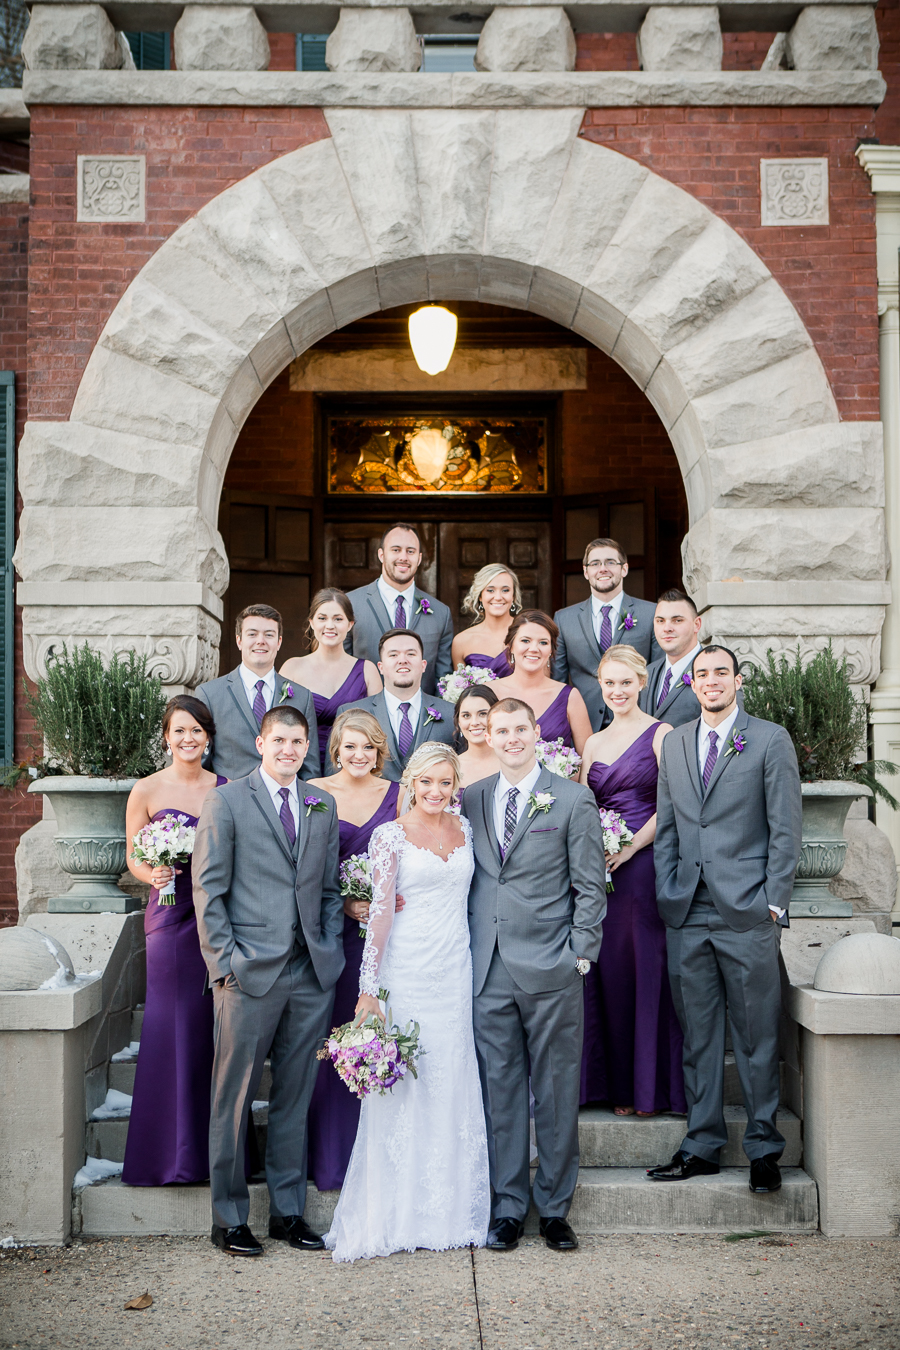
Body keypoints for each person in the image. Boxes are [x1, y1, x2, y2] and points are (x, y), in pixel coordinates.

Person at [325, 743, 490, 1262]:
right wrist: (368, 988)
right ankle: (397, 1213)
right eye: (427, 783)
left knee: (451, 1081)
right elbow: (380, 914)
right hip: (408, 971)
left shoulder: (467, 829)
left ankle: (450, 1210)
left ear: (455, 784)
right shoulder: (389, 837)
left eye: (446, 783)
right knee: (406, 1088)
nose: (436, 792)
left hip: (457, 971)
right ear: (411, 784)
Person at [647, 646, 801, 1194]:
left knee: (758, 1035)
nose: (711, 681)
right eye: (702, 674)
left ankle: (764, 1148)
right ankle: (703, 1145)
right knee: (699, 1037)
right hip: (687, 911)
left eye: (720, 673)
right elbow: (668, 829)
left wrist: (774, 903)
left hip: (748, 912)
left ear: (736, 680)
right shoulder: (677, 742)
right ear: (690, 682)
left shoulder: (768, 739)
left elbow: (786, 828)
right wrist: (669, 892)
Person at [193, 706, 343, 1257]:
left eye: (298, 741)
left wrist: (325, 949)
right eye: (279, 740)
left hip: (309, 972)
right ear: (260, 742)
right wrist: (224, 965)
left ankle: (287, 1213)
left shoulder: (320, 803)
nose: (289, 749)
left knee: (295, 1096)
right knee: (232, 1098)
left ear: (308, 747)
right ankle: (228, 1218)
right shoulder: (227, 800)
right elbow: (208, 890)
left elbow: (328, 888)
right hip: (247, 972)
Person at [463, 698, 606, 1252]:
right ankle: (507, 1208)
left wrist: (581, 952)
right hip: (487, 969)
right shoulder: (470, 799)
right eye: (501, 730)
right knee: (500, 1093)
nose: (511, 738)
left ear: (536, 733)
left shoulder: (572, 798)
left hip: (553, 965)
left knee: (554, 1090)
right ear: (489, 737)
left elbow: (591, 885)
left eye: (520, 728)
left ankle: (553, 1209)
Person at [122, 696, 225, 1187]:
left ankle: (208, 1155)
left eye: (197, 730)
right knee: (167, 1025)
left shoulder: (225, 788)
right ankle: (163, 1156)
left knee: (211, 1029)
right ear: (166, 736)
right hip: (166, 914)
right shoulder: (146, 789)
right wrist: (152, 870)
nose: (189, 739)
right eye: (180, 730)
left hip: (214, 918)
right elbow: (132, 857)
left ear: (208, 736)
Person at [579, 647, 685, 1118]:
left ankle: (652, 1090)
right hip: (601, 872)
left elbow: (673, 802)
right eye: (610, 683)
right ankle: (619, 1087)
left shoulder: (661, 734)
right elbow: (582, 806)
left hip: (643, 866)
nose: (617, 691)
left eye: (626, 682)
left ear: (641, 683)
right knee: (611, 972)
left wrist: (632, 847)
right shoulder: (593, 744)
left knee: (647, 969)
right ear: (600, 686)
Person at [303, 710, 401, 1192]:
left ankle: (387, 1161)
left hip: (393, 936)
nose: (358, 755)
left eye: (368, 747)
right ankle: (334, 1158)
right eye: (349, 747)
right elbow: (304, 865)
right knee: (337, 1039)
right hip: (335, 934)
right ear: (335, 749)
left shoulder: (399, 794)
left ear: (379, 751)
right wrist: (344, 903)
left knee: (387, 1035)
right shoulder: (316, 795)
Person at [197, 604, 319, 782]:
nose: (261, 641)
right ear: (239, 640)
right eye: (252, 634)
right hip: (231, 801)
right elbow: (200, 764)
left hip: (284, 802)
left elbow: (310, 768)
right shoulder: (210, 694)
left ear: (279, 642)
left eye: (269, 635)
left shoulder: (302, 697)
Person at [553, 537, 661, 732]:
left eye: (610, 562)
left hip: (639, 723)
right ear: (586, 572)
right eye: (595, 563)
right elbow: (558, 682)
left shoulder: (651, 613)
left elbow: (657, 671)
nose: (603, 568)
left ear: (624, 569)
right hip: (584, 726)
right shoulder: (563, 619)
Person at [344, 522, 454, 695]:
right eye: (396, 550)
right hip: (364, 717)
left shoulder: (441, 613)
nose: (403, 557)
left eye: (410, 551)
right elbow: (341, 671)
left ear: (419, 558)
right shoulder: (350, 604)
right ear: (381, 554)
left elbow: (442, 682)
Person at [333, 628, 455, 782]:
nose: (402, 660)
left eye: (411, 654)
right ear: (381, 667)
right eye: (393, 655)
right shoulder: (352, 713)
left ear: (423, 665)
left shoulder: (450, 713)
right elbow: (335, 773)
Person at [279, 589, 382, 768]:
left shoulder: (367, 670)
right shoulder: (291, 668)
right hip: (299, 766)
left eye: (338, 619)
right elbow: (278, 725)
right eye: (322, 618)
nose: (330, 625)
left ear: (350, 624)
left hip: (352, 766)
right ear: (311, 622)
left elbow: (379, 730)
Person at [492, 610, 592, 754]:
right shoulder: (488, 693)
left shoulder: (570, 697)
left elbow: (588, 760)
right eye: (525, 641)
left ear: (551, 650)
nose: (534, 649)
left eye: (543, 642)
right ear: (511, 645)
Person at [639, 589, 704, 728]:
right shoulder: (647, 673)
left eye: (677, 620)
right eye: (660, 621)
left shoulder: (717, 670)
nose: (667, 628)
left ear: (696, 624)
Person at [450, 563, 521, 677]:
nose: (498, 597)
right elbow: (460, 691)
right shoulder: (461, 641)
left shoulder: (529, 634)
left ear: (513, 596)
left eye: (505, 590)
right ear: (480, 596)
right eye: (490, 590)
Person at [455, 684, 500, 790]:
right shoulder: (450, 767)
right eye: (466, 715)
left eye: (483, 714)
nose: (474, 722)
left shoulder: (512, 762)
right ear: (459, 722)